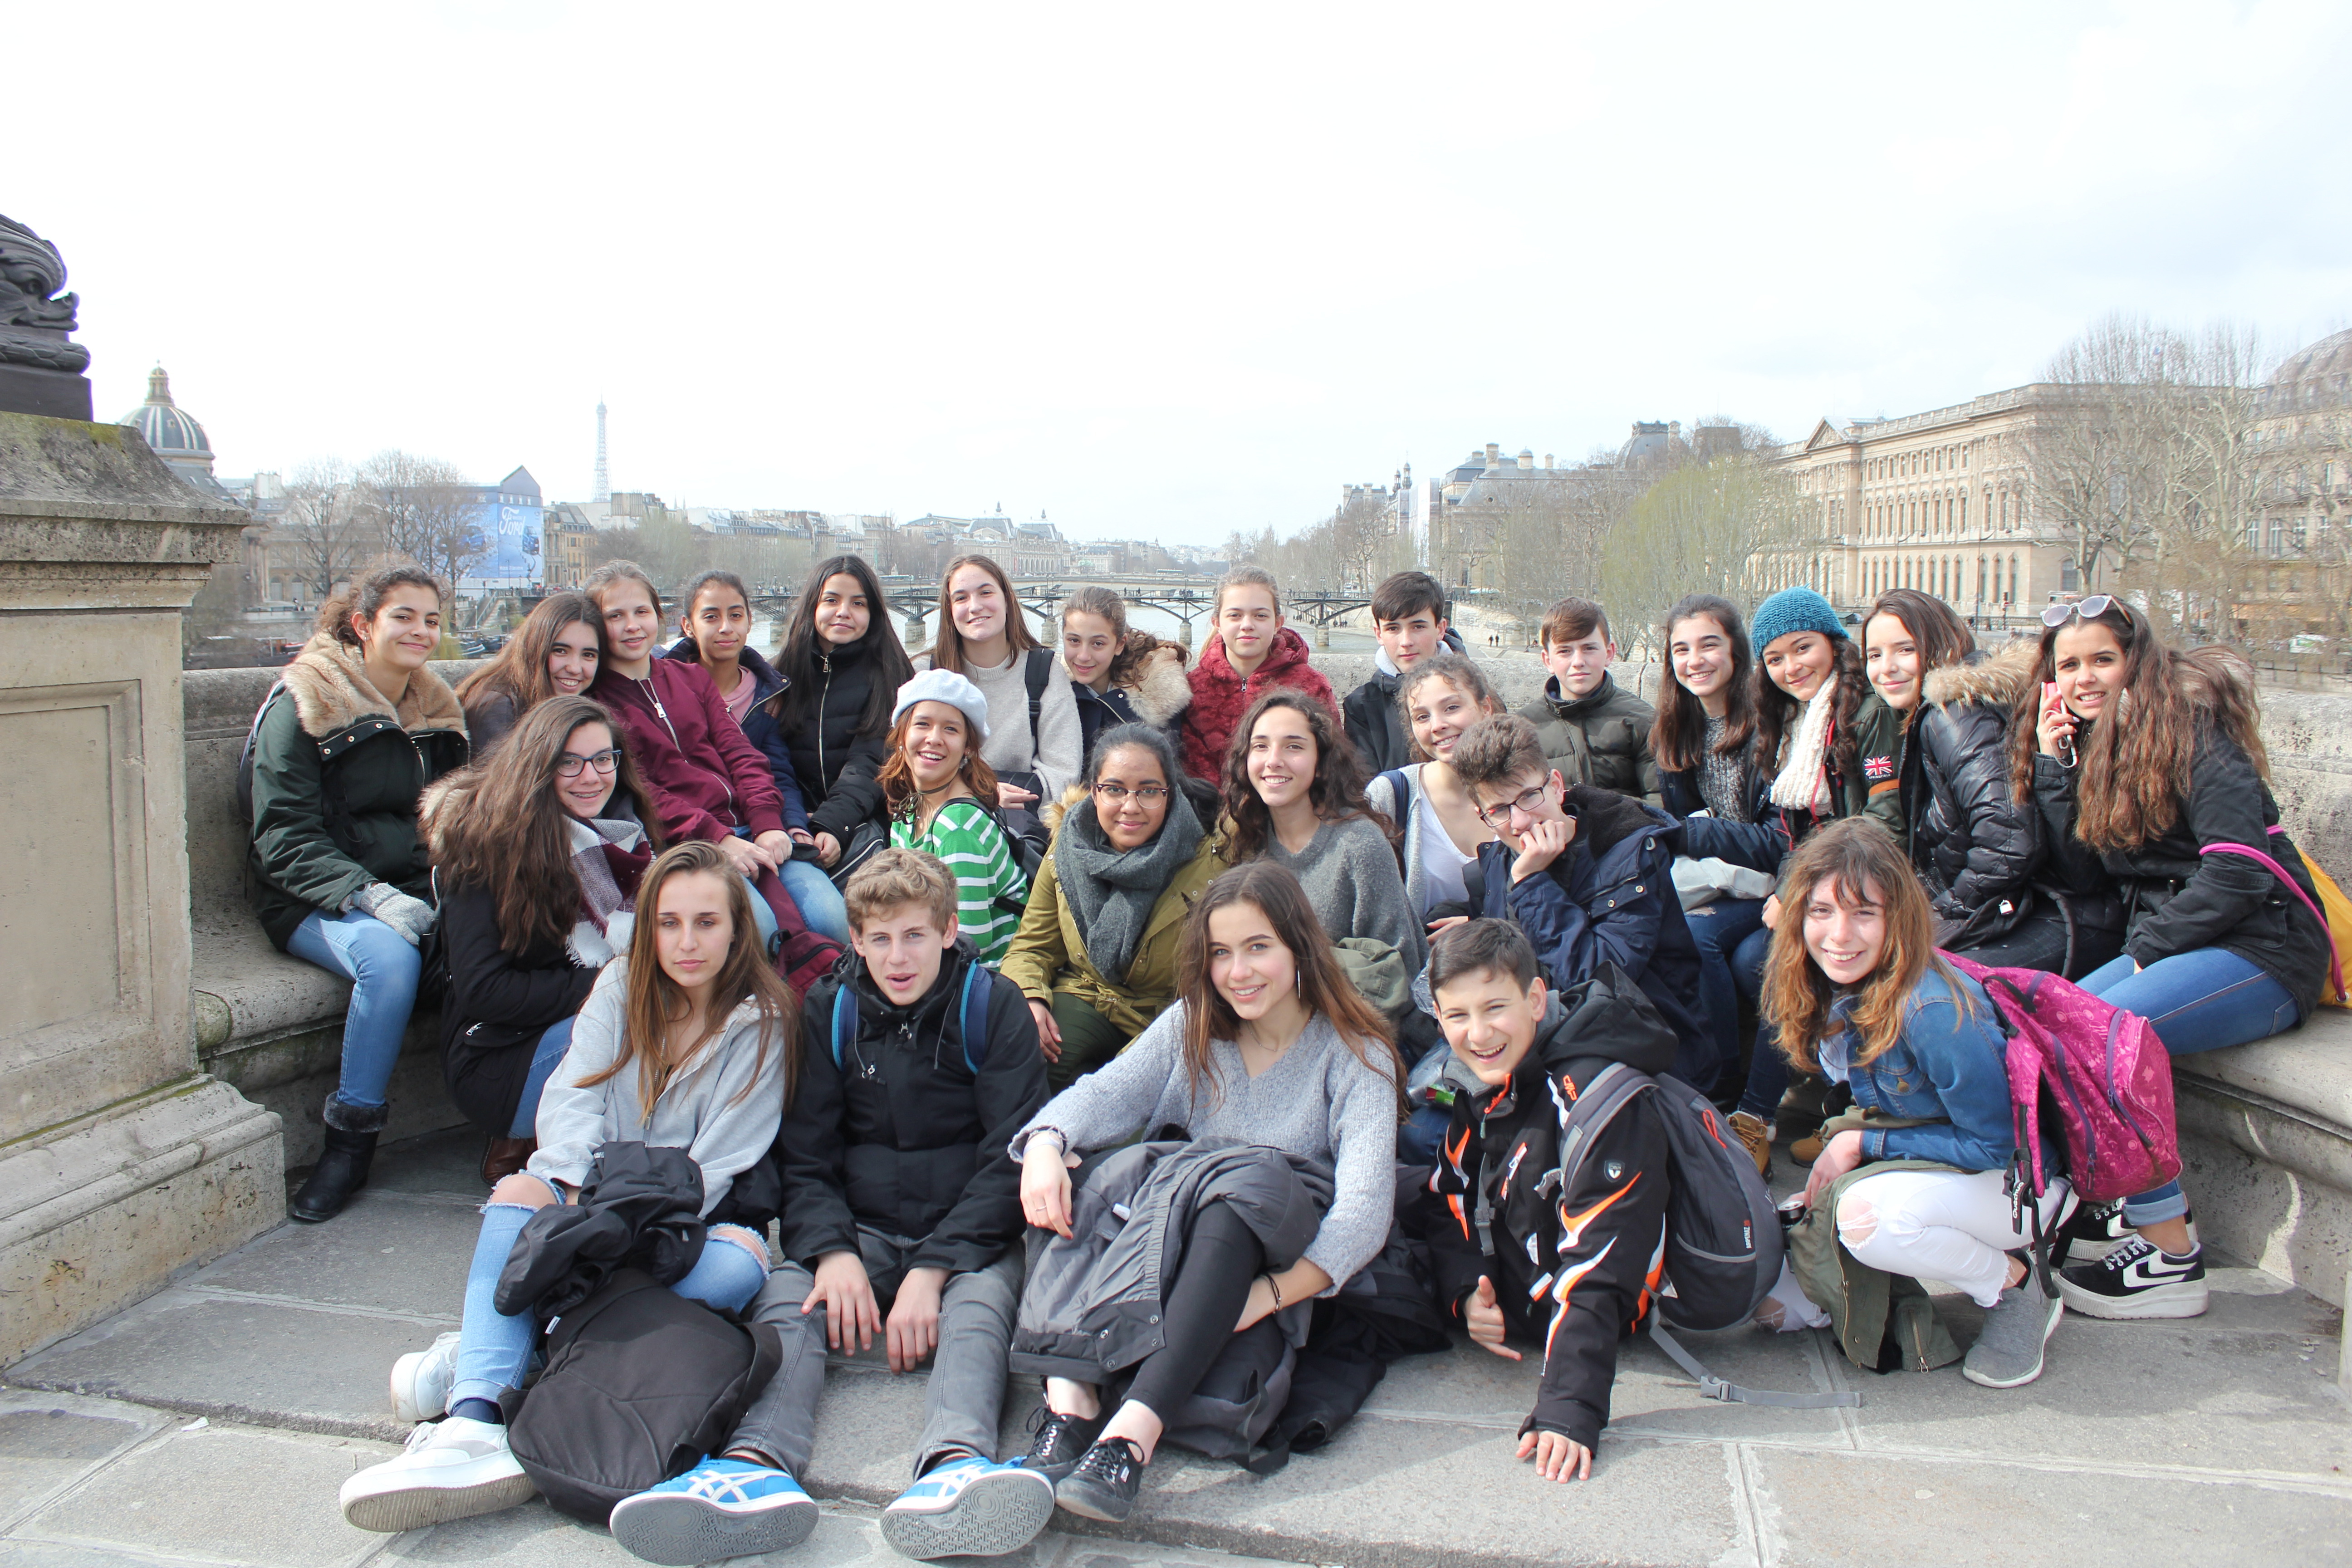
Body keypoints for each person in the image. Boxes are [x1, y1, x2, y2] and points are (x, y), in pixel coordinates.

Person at [606, 850, 1054, 1564]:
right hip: (863, 1227)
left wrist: (934, 1269)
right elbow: (805, 1155)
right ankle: (754, 1465)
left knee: (978, 1313)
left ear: (949, 930)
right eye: (880, 939)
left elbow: (1012, 1155)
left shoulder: (991, 1007)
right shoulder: (830, 1008)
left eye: (914, 936)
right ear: (856, 941)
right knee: (789, 1298)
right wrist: (834, 1251)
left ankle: (956, 1464)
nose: (898, 957)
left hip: (967, 1236)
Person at [337, 841, 795, 1531]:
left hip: (691, 1220)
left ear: (737, 930)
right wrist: (580, 1197)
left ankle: (499, 1350)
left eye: (707, 923)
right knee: (521, 1194)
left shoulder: (765, 1021)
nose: (687, 942)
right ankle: (475, 1421)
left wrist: (617, 1224)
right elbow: (572, 1098)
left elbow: (723, 1158)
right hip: (591, 1198)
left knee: (737, 1269)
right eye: (669, 923)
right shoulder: (619, 986)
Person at [1008, 862, 1403, 1524]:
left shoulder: (1355, 1053)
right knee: (1080, 1176)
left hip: (1264, 1248)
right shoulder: (1192, 1023)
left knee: (1235, 1194)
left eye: (1258, 948)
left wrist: (1268, 1296)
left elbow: (1364, 1210)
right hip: (1172, 1231)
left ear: (1299, 948)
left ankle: (1128, 1441)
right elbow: (1106, 1095)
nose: (1238, 972)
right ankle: (1070, 1407)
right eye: (1221, 953)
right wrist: (1046, 1144)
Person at [2021, 595, 2327, 1320]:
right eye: (2070, 666)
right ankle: (2114, 1200)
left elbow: (2239, 872)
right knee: (2047, 1024)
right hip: (2185, 944)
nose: (2086, 678)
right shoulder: (2102, 745)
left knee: (2099, 1035)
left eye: (2103, 660)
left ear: (2137, 662)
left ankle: (2170, 1254)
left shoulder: (2195, 731)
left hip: (2263, 948)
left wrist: (2145, 956)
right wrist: (2055, 765)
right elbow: (2086, 873)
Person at [1764, 818, 2073, 1389]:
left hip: (2020, 1184)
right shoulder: (1837, 984)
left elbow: (1999, 1145)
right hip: (1945, 1159)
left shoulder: (1929, 1009)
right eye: (1822, 911)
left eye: (1864, 913)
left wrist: (1862, 1143)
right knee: (1776, 1306)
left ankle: (2015, 1287)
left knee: (1870, 1221)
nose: (1839, 934)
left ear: (1897, 917)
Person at [248, 563, 470, 1223]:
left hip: (413, 886)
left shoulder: (435, 709)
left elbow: (449, 821)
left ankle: (513, 1115)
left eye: (431, 620)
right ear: (363, 624)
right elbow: (281, 836)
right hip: (314, 896)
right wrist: (368, 896)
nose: (420, 631)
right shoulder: (305, 702)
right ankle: (348, 1145)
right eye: (403, 616)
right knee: (390, 960)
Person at [1421, 919, 1678, 1483]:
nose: (1479, 1033)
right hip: (1524, 1282)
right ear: (1438, 1018)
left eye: (1495, 1008)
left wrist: (1569, 1407)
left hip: (1602, 1303)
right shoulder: (1483, 1078)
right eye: (1458, 1016)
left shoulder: (1598, 1094)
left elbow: (1603, 1259)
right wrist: (1467, 1290)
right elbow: (1449, 1194)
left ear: (1536, 999)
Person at [423, 695, 662, 1184]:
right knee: (649, 1014)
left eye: (603, 759)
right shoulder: (486, 850)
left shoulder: (627, 837)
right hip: (504, 1060)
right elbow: (484, 991)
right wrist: (616, 983)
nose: (591, 777)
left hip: (586, 1025)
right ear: (536, 767)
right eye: (569, 763)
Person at [1682, 586, 1874, 1173]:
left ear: (1833, 644)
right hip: (1812, 880)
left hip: (1860, 884)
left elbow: (1861, 828)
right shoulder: (1792, 725)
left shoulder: (1854, 715)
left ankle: (1755, 1114)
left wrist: (1794, 894)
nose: (1792, 667)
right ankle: (1789, 1095)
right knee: (1738, 956)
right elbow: (1799, 833)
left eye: (1803, 649)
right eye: (1777, 658)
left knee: (1770, 962)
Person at [1448, 714, 1710, 1074]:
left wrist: (1530, 883)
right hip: (1543, 1047)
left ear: (1556, 786)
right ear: (1483, 816)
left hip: (1642, 1054)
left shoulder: (1628, 854)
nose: (1520, 821)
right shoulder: (1499, 860)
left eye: (1529, 796)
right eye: (1499, 810)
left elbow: (1599, 979)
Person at [582, 562, 808, 955]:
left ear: (658, 616)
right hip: (689, 843)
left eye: (641, 612)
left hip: (749, 826)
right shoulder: (598, 704)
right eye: (615, 616)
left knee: (829, 917)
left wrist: (768, 823)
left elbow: (742, 754)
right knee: (761, 932)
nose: (632, 626)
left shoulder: (691, 678)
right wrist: (717, 837)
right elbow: (642, 791)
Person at [1874, 592, 2102, 975]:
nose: (1886, 668)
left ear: (1940, 645)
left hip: (2052, 911)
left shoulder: (1953, 717)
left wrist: (1940, 913)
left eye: (1905, 650)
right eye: (1874, 655)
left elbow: (2009, 843)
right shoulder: (1958, 707)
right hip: (2027, 902)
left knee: (1902, 979)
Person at [1003, 723, 1229, 1087]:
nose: (1131, 807)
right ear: (1094, 792)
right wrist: (1029, 998)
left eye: (1149, 791)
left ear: (1170, 793)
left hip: (1170, 1015)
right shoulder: (1067, 847)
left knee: (1131, 1096)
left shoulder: (1213, 859)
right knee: (1027, 1062)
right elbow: (1032, 947)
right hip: (1088, 993)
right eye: (1114, 789)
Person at [665, 569, 849, 943]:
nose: (726, 628)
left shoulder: (768, 693)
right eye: (711, 617)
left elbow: (778, 771)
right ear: (687, 626)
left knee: (832, 920)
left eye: (735, 615)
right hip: (703, 834)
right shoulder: (665, 690)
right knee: (760, 931)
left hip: (762, 822)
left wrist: (792, 826)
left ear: (750, 621)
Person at [1651, 596, 1772, 1095]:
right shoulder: (1679, 728)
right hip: (1722, 879)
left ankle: (1722, 1081)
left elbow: (1779, 841)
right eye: (1682, 650)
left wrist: (1694, 835)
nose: (1694, 661)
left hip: (1773, 880)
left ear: (1736, 651)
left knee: (1709, 942)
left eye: (1708, 645)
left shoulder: (1769, 725)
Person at [1221, 689, 1426, 971]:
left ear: (1321, 762)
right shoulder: (1241, 837)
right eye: (1260, 746)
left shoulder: (1359, 845)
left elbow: (1399, 967)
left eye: (1294, 747)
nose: (1273, 760)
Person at [766, 554, 915, 874]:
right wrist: (796, 819)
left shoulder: (891, 676)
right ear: (813, 606)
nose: (844, 612)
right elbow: (771, 762)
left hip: (864, 825)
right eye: (831, 600)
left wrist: (832, 823)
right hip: (792, 825)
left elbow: (871, 763)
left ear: (873, 614)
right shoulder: (779, 678)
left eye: (858, 603)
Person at [913, 554, 1082, 812]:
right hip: (943, 822)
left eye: (985, 593)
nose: (975, 606)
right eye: (961, 598)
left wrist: (1004, 807)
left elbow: (1063, 774)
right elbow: (903, 766)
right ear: (949, 611)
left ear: (1007, 599)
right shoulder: (924, 674)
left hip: (1023, 825)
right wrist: (977, 798)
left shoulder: (1045, 673)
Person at [883, 671, 1030, 965]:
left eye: (951, 729)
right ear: (902, 736)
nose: (934, 739)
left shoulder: (958, 828)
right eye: (923, 724)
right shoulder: (909, 809)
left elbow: (970, 941)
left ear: (968, 748)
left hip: (987, 973)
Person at [1362, 652, 1499, 931]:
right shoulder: (1390, 795)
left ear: (1486, 708)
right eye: (1423, 717)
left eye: (1451, 708)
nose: (1438, 725)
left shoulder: (1526, 793)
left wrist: (1481, 924)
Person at [1178, 565, 1338, 783]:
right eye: (1235, 616)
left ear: (1278, 623)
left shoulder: (1312, 686)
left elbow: (1331, 763)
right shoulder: (1190, 689)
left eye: (1260, 616)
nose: (1247, 625)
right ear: (1218, 623)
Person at [1517, 597, 1658, 803]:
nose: (1578, 662)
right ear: (1548, 660)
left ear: (1609, 653)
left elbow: (1659, 802)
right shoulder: (1524, 728)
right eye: (1565, 651)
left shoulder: (1643, 720)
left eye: (1589, 648)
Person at [453, 591, 604, 758]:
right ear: (534, 648)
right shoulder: (498, 708)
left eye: (588, 655)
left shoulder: (584, 702)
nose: (575, 668)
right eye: (560, 651)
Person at [1344, 571, 1465, 772]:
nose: (1406, 642)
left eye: (1418, 627)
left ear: (1440, 629)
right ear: (1379, 634)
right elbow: (1364, 782)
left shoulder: (1475, 690)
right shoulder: (1361, 706)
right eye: (1393, 629)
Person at [1056, 585, 1192, 761]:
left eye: (1098, 644)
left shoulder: (1159, 698)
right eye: (1074, 641)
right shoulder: (1051, 691)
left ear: (1120, 644)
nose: (1083, 656)